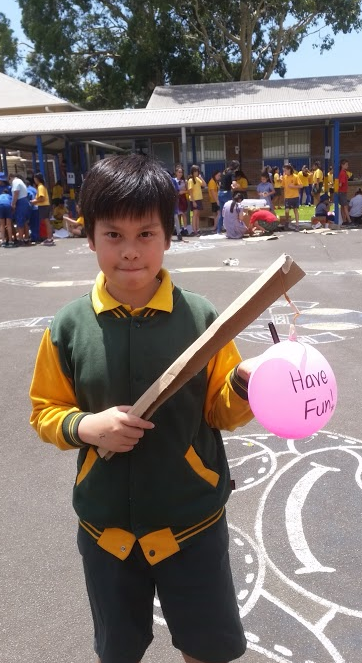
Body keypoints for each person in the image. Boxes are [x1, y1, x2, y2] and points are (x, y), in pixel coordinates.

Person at [30, 154, 259, 663]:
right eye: (113, 235)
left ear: (168, 236)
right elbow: (45, 410)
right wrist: (87, 426)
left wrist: (243, 386)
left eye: (146, 234)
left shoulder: (202, 317)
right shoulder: (67, 327)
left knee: (207, 648)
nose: (130, 252)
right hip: (106, 532)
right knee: (118, 651)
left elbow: (220, 411)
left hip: (192, 525)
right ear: (89, 237)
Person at [30, 172, 54, 246]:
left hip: (43, 206)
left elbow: (42, 198)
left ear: (37, 179)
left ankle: (49, 238)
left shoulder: (40, 187)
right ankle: (49, 238)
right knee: (47, 222)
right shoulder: (42, 186)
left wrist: (34, 201)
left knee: (46, 222)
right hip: (45, 205)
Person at [217, 160, 239, 234]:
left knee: (222, 212)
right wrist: (236, 185)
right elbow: (234, 183)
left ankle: (218, 230)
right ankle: (230, 230)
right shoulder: (232, 172)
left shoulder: (224, 171)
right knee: (230, 211)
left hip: (220, 193)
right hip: (227, 193)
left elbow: (220, 183)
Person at [8, 173, 31, 244]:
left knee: (20, 222)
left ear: (10, 178)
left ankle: (21, 239)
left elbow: (16, 193)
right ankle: (26, 238)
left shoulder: (15, 182)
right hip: (25, 201)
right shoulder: (20, 181)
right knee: (25, 222)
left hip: (20, 202)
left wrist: (13, 203)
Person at [281, 164, 301, 231]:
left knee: (295, 210)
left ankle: (297, 225)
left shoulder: (295, 176)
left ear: (289, 170)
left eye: (285, 170)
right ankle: (287, 222)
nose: (284, 172)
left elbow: (301, 186)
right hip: (287, 197)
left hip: (295, 196)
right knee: (286, 211)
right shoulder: (284, 177)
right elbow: (283, 186)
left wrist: (294, 186)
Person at [187, 165, 206, 235]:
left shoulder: (198, 179)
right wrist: (193, 201)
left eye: (197, 171)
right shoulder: (191, 180)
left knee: (198, 214)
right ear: (192, 172)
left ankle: (197, 229)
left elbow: (204, 185)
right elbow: (190, 191)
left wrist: (201, 178)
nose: (196, 173)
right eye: (195, 171)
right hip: (194, 199)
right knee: (194, 215)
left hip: (199, 198)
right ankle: (194, 230)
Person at [0, 172, 14, 247]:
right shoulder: (9, 188)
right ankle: (10, 241)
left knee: (4, 224)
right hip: (8, 206)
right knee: (7, 224)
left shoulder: (9, 188)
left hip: (2, 206)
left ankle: (4, 240)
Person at [26, 178, 40, 243]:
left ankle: (34, 237)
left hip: (32, 208)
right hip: (38, 207)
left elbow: (31, 198)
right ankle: (37, 236)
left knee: (32, 224)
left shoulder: (27, 190)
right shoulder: (34, 189)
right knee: (36, 223)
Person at [174, 165, 188, 230]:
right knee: (177, 214)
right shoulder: (174, 180)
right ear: (176, 173)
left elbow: (188, 190)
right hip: (176, 198)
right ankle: (178, 228)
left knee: (183, 213)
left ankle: (185, 228)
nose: (180, 174)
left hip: (183, 198)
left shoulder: (185, 181)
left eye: (181, 172)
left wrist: (183, 191)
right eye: (179, 172)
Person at [338, 159, 351, 225]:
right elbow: (341, 184)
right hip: (342, 191)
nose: (347, 166)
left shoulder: (343, 172)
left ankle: (344, 220)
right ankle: (349, 220)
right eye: (346, 165)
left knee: (343, 207)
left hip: (342, 191)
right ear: (342, 165)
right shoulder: (343, 173)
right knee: (345, 206)